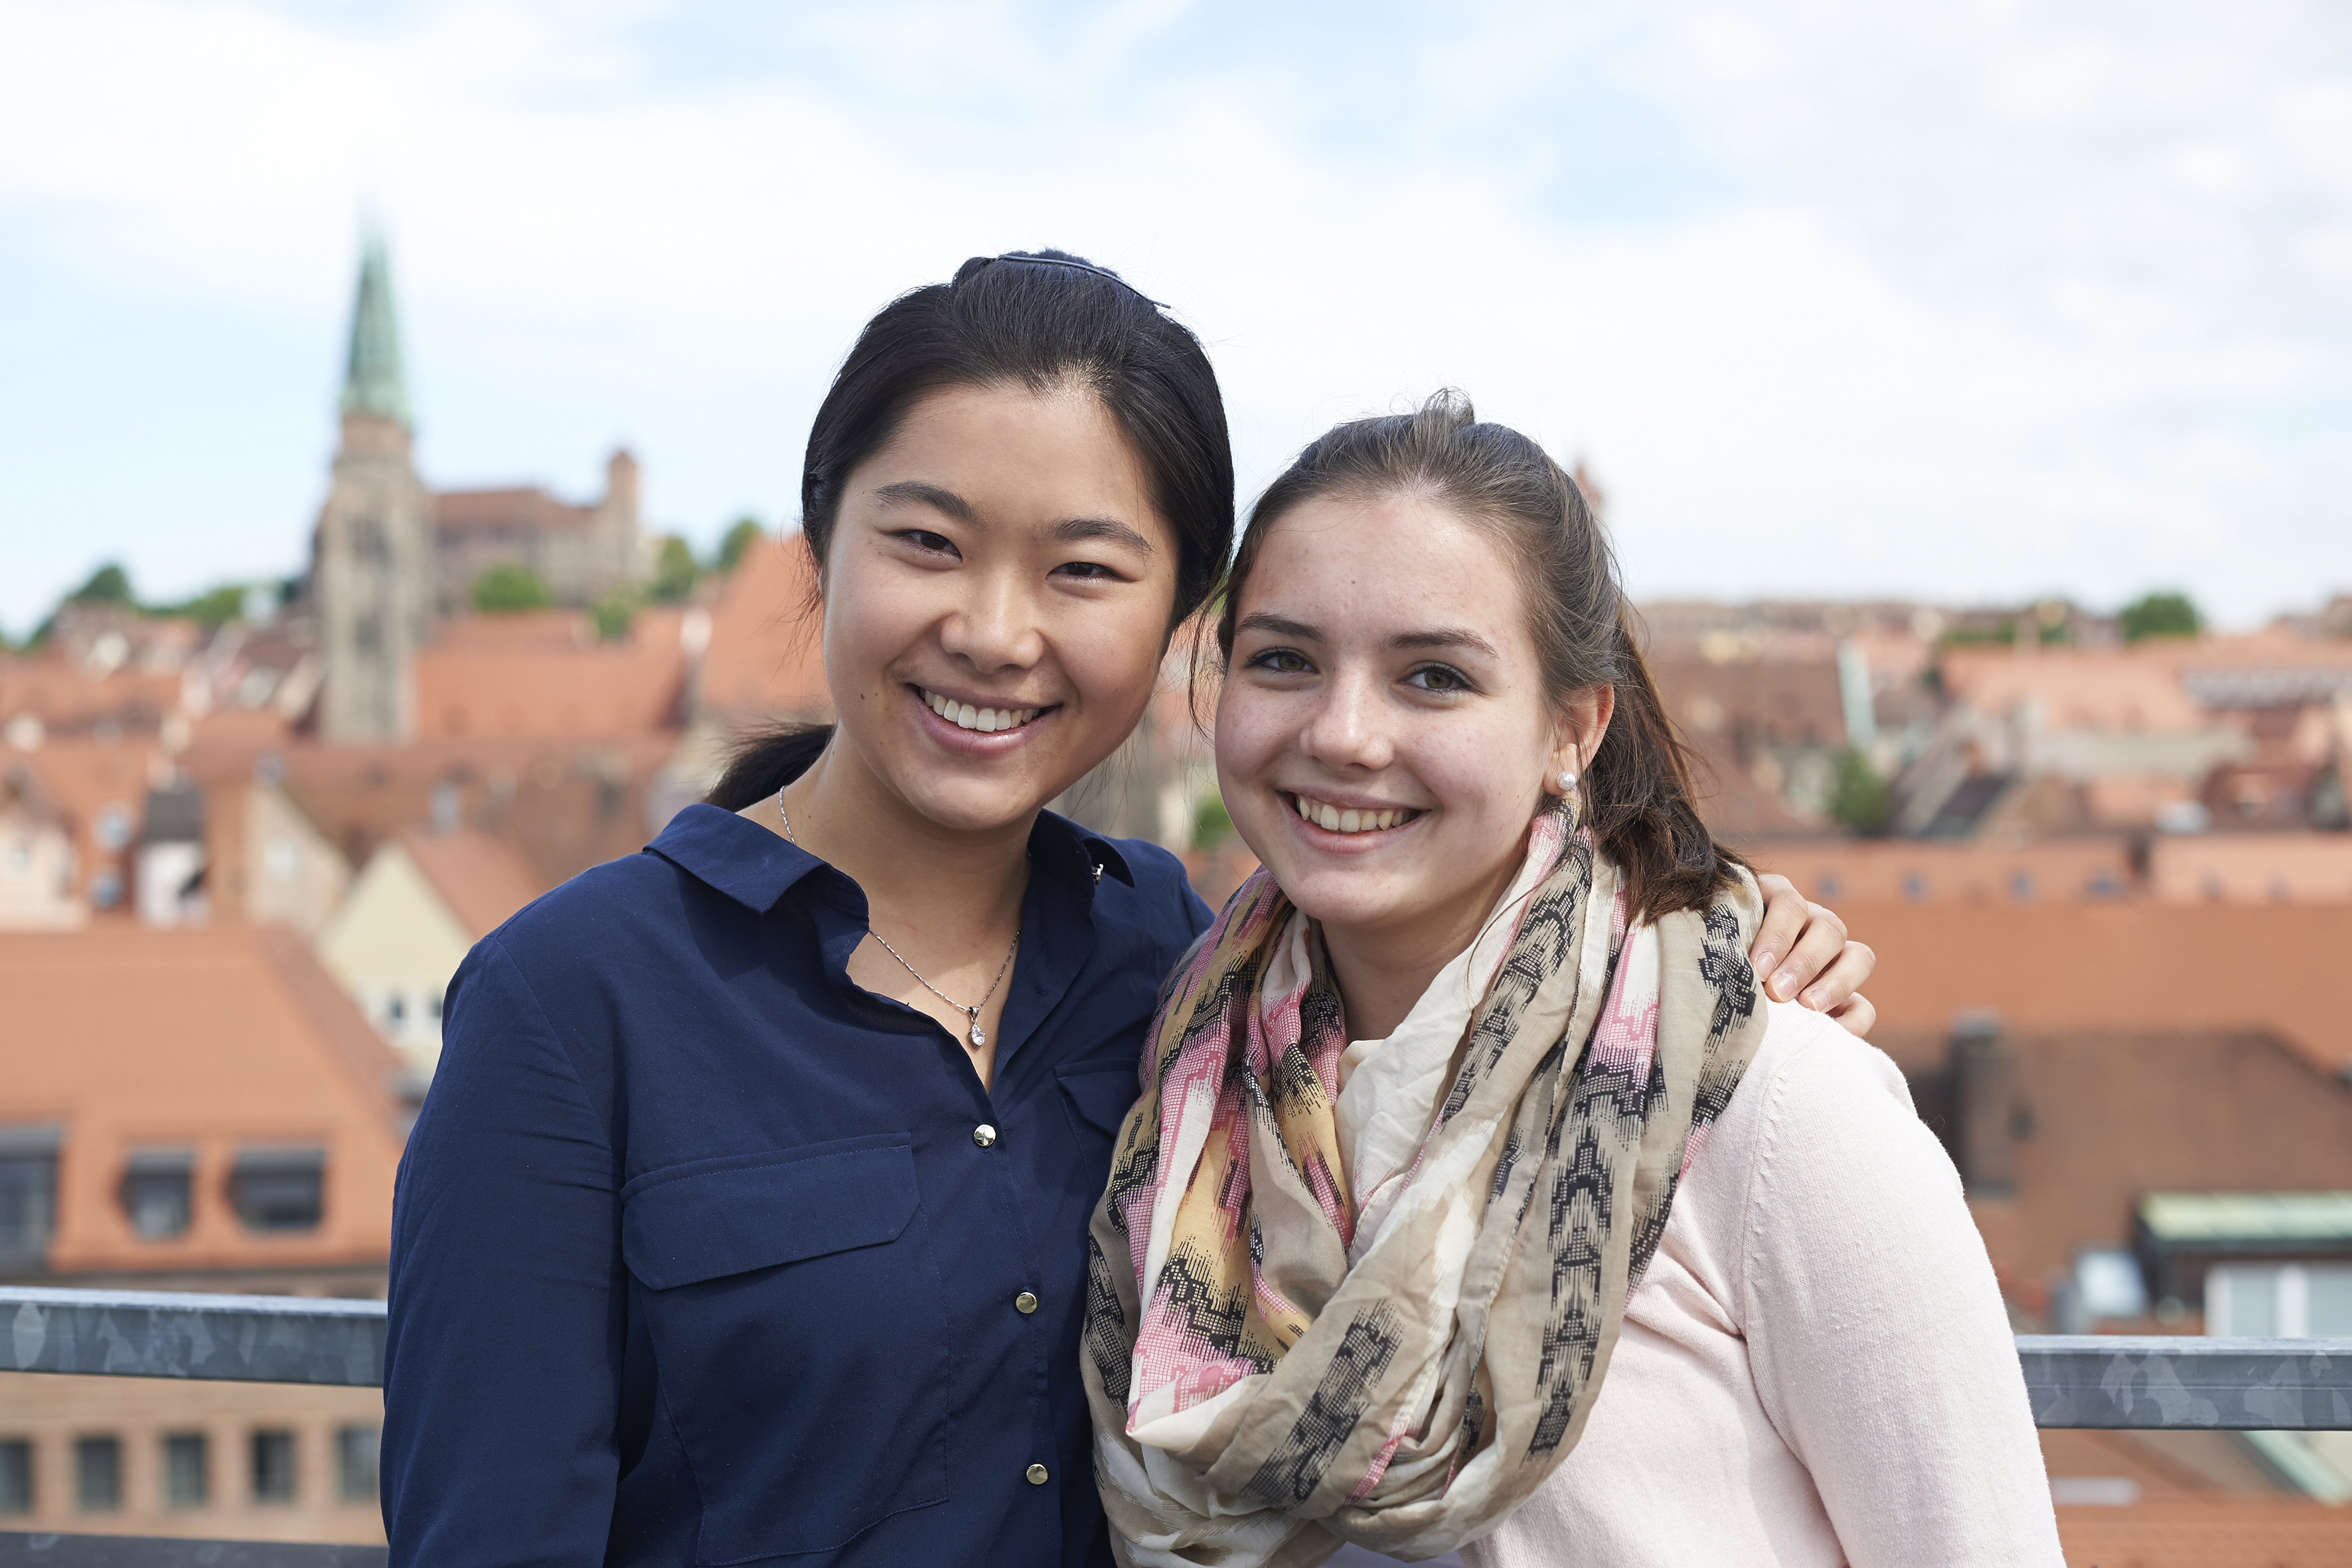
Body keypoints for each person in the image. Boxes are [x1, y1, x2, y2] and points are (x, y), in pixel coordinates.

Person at [381, 257, 1874, 1568]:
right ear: (818, 542)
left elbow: (1496, 948)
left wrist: (1714, 939)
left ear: (1177, 629)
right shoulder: (572, 1004)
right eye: (926, 542)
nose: (993, 629)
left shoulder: (1196, 968)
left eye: (1082, 571)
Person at [1084, 392, 2060, 1568]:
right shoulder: (1188, 1085)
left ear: (1572, 729)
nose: (1343, 732)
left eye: (1433, 676)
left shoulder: (1776, 1109)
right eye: (1284, 659)